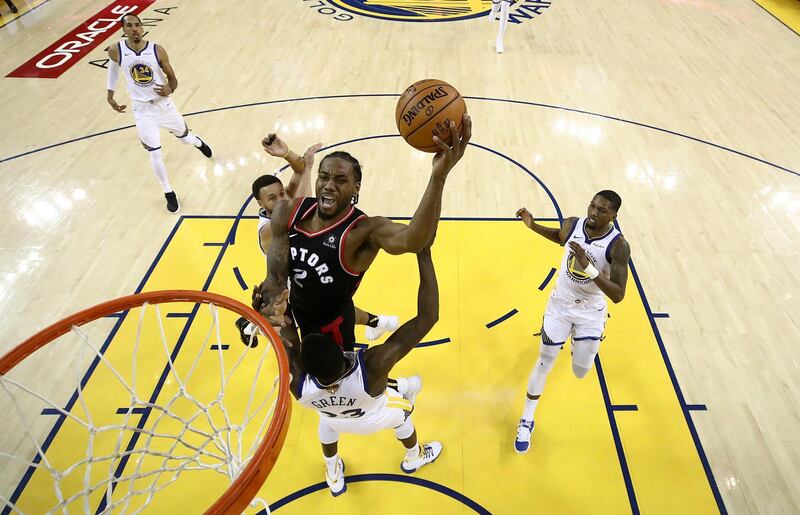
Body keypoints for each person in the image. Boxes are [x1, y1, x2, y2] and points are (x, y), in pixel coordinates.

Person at [253, 115, 471, 354]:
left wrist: (438, 177)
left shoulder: (363, 231)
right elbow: (275, 275)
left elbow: (414, 240)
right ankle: (378, 322)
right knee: (298, 378)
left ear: (356, 188)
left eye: (340, 180)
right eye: (323, 177)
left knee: (333, 384)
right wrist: (272, 304)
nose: (328, 185)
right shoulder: (288, 211)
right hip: (296, 309)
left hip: (333, 328)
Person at [275, 238, 441, 495]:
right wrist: (424, 254)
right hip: (374, 417)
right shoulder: (372, 367)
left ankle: (332, 469)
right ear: (344, 356)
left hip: (336, 419)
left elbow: (285, 337)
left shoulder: (299, 385)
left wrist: (270, 302)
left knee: (326, 422)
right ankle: (414, 456)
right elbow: (428, 317)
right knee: (404, 411)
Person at [235, 134, 399, 346]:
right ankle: (248, 326)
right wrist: (308, 170)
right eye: (272, 198)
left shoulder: (284, 205)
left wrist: (287, 154)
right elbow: (306, 199)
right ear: (261, 203)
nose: (282, 198)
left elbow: (300, 173)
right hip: (290, 287)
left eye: (282, 193)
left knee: (337, 308)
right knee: (285, 325)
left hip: (308, 275)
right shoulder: (268, 229)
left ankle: (377, 322)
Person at [513, 190, 631, 453]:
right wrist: (532, 226)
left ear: (614, 216)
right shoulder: (573, 224)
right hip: (560, 305)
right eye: (592, 206)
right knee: (544, 361)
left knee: (580, 371)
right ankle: (526, 420)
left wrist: (588, 267)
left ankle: (586, 339)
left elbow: (619, 294)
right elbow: (560, 238)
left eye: (602, 210)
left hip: (591, 310)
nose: (593, 212)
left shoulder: (618, 246)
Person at [106, 14, 212, 213]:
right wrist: (110, 95)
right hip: (141, 109)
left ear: (142, 27)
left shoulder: (156, 50)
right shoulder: (116, 50)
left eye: (138, 24)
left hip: (164, 106)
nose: (135, 28)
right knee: (154, 153)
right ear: (124, 29)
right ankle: (168, 192)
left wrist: (169, 90)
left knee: (185, 138)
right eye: (130, 25)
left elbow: (173, 80)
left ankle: (198, 142)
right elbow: (113, 70)